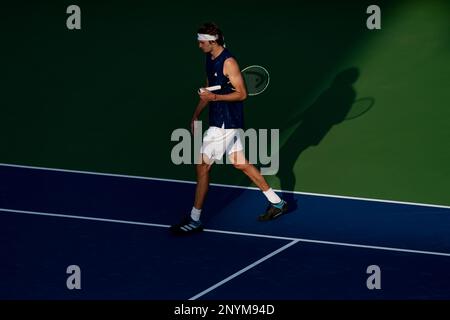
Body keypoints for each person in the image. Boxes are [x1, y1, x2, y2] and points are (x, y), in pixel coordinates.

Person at [170, 22, 288, 235]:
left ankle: (195, 219)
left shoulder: (229, 62)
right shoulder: (209, 57)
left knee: (202, 166)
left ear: (212, 41)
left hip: (225, 123)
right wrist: (196, 114)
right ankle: (277, 202)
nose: (199, 45)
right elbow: (208, 88)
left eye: (201, 42)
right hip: (221, 120)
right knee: (240, 163)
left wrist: (214, 97)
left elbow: (242, 94)